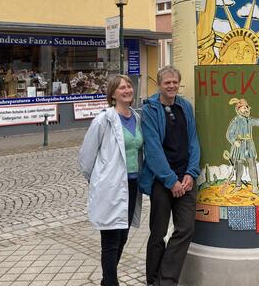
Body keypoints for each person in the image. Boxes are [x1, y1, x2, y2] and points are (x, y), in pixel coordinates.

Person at [78, 74, 143, 286]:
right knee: (110, 242)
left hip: (132, 185)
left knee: (122, 236)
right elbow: (86, 157)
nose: (127, 90)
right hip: (110, 187)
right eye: (121, 88)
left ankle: (108, 280)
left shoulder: (137, 117)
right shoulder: (103, 119)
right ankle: (110, 282)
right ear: (113, 94)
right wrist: (99, 180)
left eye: (129, 86)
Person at [139, 66, 200, 286]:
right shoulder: (149, 110)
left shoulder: (185, 107)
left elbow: (193, 141)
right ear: (159, 85)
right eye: (167, 83)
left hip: (185, 180)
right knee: (158, 234)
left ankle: (165, 281)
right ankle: (153, 280)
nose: (172, 86)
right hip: (161, 181)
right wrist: (170, 180)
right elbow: (153, 149)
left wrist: (191, 173)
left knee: (185, 229)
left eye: (175, 82)